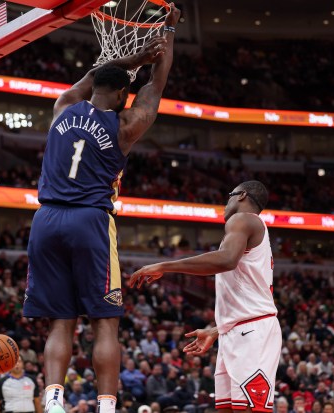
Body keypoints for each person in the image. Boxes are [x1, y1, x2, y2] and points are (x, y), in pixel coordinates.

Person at [22, 4, 180, 413]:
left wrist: (128, 61)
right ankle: (107, 406)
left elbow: (92, 78)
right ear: (123, 95)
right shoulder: (125, 126)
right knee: (104, 321)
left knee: (61, 321)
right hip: (89, 221)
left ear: (93, 87)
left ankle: (53, 400)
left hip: (46, 221)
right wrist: (167, 38)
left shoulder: (62, 107)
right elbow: (155, 89)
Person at [129, 180, 281, 413]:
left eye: (229, 196)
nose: (225, 203)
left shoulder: (243, 219)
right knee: (226, 409)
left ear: (241, 196)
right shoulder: (244, 228)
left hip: (253, 332)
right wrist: (217, 330)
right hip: (237, 330)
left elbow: (226, 260)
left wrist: (164, 265)